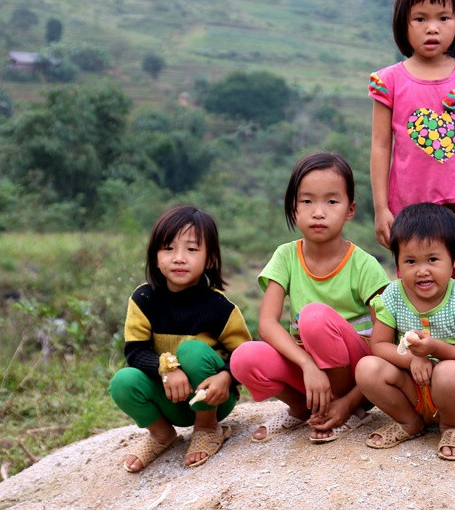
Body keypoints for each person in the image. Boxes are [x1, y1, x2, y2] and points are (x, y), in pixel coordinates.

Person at [230, 151, 390, 443]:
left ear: (350, 209)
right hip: (310, 368)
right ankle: (303, 408)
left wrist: (352, 399)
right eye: (307, 201)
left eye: (332, 201)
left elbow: (386, 339)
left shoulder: (364, 264)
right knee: (243, 358)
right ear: (294, 209)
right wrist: (307, 365)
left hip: (356, 378)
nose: (319, 212)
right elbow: (267, 325)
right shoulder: (286, 256)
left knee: (314, 318)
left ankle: (348, 410)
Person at [369, 0, 455, 286]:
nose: (432, 29)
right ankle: (414, 339)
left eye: (443, 18)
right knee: (415, 290)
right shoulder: (389, 81)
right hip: (408, 210)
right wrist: (381, 208)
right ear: (403, 23)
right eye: (420, 19)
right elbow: (381, 147)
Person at [109, 206, 251, 472]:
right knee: (122, 382)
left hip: (213, 398)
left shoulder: (220, 307)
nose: (179, 258)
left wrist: (227, 378)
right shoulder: (144, 299)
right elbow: (135, 352)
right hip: (169, 398)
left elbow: (246, 354)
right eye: (168, 248)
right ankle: (162, 435)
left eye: (192, 249)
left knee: (193, 352)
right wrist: (166, 370)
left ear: (210, 259)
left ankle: (207, 428)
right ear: (155, 256)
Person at [356, 202, 455, 461]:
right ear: (397, 263)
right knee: (367, 367)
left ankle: (451, 427)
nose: (422, 270)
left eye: (432, 259)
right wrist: (414, 358)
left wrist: (436, 350)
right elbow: (379, 345)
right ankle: (409, 422)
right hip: (412, 389)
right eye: (410, 261)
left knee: (448, 373)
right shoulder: (392, 296)